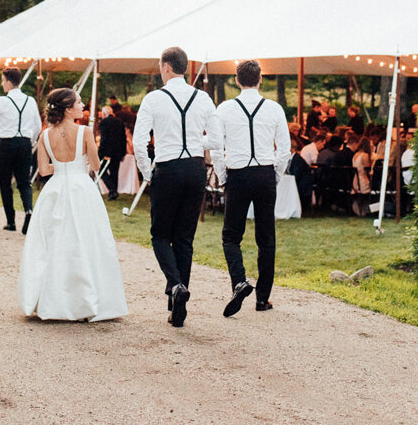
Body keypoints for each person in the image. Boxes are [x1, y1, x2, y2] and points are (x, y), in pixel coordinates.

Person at [17, 87, 128, 321]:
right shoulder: (85, 132)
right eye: (79, 103)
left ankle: (53, 299)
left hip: (55, 189)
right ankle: (86, 299)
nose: (83, 107)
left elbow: (44, 170)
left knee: (54, 243)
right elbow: (97, 166)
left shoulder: (45, 135)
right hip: (81, 189)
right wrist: (82, 162)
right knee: (87, 241)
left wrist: (62, 166)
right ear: (68, 109)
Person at [133, 45, 216, 327]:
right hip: (195, 169)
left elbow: (139, 142)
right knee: (184, 238)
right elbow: (216, 141)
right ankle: (177, 307)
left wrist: (147, 173)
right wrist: (193, 142)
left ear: (167, 67)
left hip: (167, 169)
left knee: (159, 235)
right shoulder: (203, 98)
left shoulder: (154, 99)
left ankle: (176, 286)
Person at [206, 59, 290, 317]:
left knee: (231, 236)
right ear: (260, 78)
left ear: (237, 79)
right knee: (267, 239)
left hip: (238, 175)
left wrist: (222, 175)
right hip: (265, 173)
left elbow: (216, 148)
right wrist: (273, 176)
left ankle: (240, 281)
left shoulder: (225, 109)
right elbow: (285, 150)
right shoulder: (274, 109)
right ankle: (262, 299)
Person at [0, 67, 41, 233]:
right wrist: (31, 140)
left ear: (8, 81)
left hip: (7, 143)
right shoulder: (30, 101)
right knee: (24, 181)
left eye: (2, 81)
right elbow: (37, 126)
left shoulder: (2, 101)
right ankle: (28, 211)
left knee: (5, 182)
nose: (1, 84)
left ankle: (11, 221)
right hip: (24, 144)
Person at [98, 104, 127, 201]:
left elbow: (104, 138)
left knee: (101, 170)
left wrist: (101, 152)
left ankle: (112, 189)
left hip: (107, 152)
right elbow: (124, 138)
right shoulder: (120, 122)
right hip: (118, 151)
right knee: (114, 172)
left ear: (105, 113)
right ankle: (113, 192)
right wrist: (123, 152)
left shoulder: (104, 122)